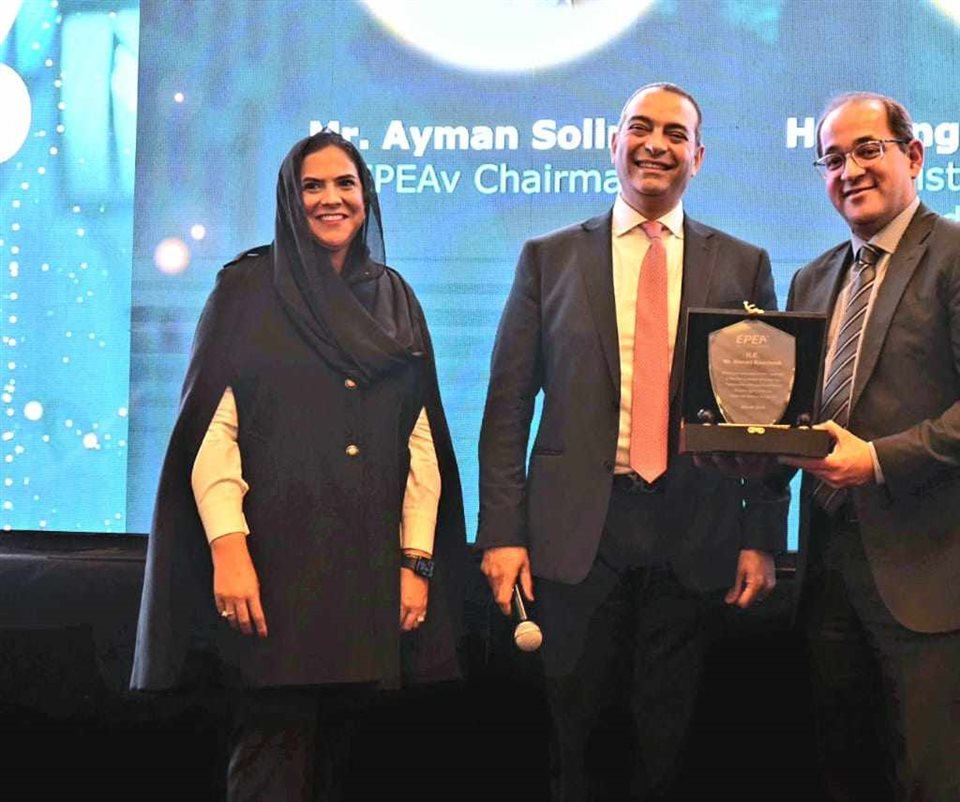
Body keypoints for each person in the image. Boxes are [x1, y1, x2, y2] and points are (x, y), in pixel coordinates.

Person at [131, 130, 467, 801]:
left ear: (367, 197)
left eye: (345, 183)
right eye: (312, 186)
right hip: (272, 572)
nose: (330, 199)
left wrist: (416, 562)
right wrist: (229, 549)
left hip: (368, 571)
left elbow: (421, 440)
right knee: (271, 758)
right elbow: (212, 434)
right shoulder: (245, 290)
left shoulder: (395, 296)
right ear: (290, 199)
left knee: (347, 761)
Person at [476, 82, 788, 801]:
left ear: (698, 157)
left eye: (676, 134)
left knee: (669, 752)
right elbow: (507, 407)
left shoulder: (743, 264)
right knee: (576, 747)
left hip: (696, 533)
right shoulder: (548, 258)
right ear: (613, 144)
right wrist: (502, 533)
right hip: (575, 537)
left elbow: (768, 418)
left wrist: (762, 536)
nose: (657, 144)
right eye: (641, 129)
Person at [782, 92, 960, 801]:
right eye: (833, 158)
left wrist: (877, 460)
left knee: (936, 784)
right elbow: (802, 418)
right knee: (845, 778)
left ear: (914, 155)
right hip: (829, 577)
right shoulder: (813, 278)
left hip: (936, 579)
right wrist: (745, 453)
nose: (850, 170)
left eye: (869, 149)